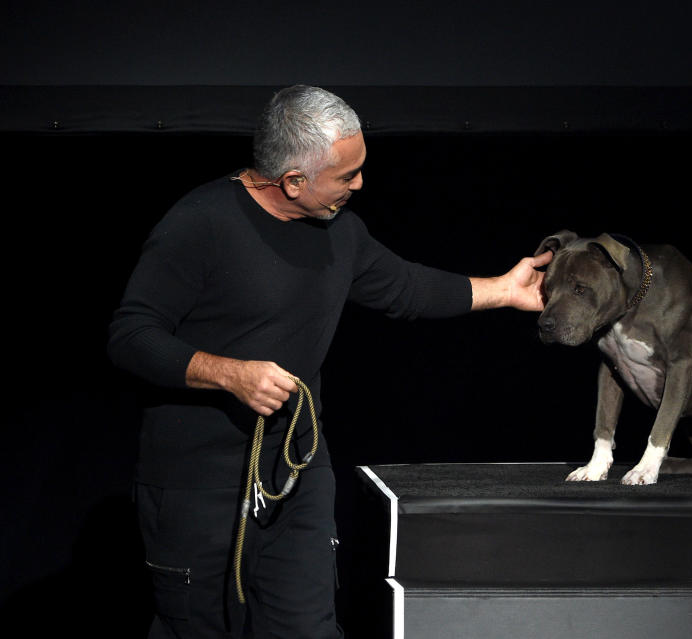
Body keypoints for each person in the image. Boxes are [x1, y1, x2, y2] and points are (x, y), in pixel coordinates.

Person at [107, 84, 551, 638]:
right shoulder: (200, 224)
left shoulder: (341, 232)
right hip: (196, 483)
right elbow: (130, 335)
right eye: (347, 175)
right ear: (293, 181)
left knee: (308, 628)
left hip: (295, 471)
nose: (360, 184)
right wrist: (230, 373)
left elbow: (405, 287)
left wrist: (504, 291)